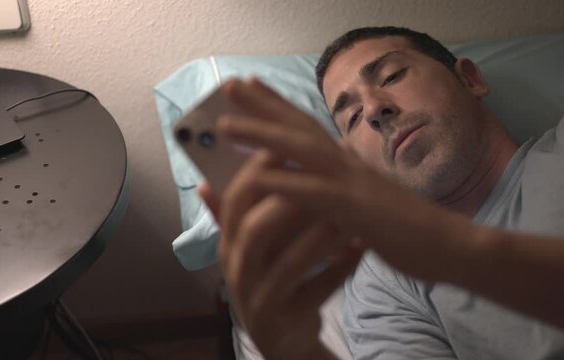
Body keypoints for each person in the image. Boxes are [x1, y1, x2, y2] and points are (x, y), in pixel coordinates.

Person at [198, 26, 564, 359]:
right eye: (352, 119)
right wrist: (299, 352)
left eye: (392, 75)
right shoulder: (386, 281)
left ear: (469, 79)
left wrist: (454, 249)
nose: (373, 109)